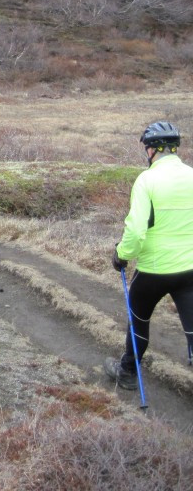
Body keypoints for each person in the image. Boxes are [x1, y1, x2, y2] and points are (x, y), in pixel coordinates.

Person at [104, 121, 193, 389]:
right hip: (189, 269)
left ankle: (128, 373)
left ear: (152, 150)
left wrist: (121, 254)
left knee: (139, 320)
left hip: (154, 271)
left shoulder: (147, 180)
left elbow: (136, 231)